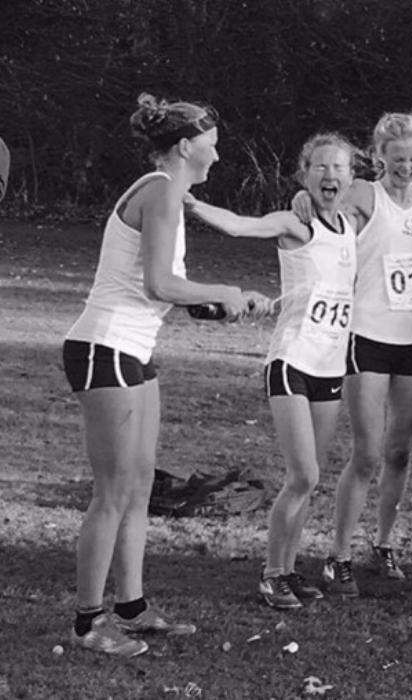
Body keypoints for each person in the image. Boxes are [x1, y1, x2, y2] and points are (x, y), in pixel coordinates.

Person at [62, 93, 268, 656]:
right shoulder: (160, 191)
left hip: (131, 350)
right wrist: (223, 291)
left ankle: (131, 608)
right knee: (113, 491)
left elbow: (163, 289)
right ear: (184, 146)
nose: (218, 154)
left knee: (141, 485)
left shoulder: (167, 194)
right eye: (212, 144)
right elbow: (159, 284)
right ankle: (87, 624)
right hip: (103, 348)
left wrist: (219, 305)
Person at [292, 113, 412, 598]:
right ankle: (338, 556)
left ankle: (383, 544)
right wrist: (304, 197)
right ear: (380, 155)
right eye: (398, 158)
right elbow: (321, 204)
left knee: (400, 451)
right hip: (367, 336)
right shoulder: (366, 194)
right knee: (367, 453)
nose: (407, 167)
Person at [187, 133, 359, 610]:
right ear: (304, 174)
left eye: (339, 168)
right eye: (319, 167)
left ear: (351, 176)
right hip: (292, 362)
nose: (330, 175)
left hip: (330, 366)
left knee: (309, 477)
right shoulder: (295, 223)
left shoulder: (351, 222)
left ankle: (287, 570)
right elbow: (242, 226)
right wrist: (191, 203)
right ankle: (270, 575)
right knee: (303, 474)